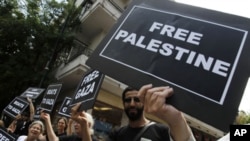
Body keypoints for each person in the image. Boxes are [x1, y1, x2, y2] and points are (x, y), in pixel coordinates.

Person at [109, 84, 195, 141]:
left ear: (143, 101)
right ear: (123, 104)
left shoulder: (161, 131)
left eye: (136, 99)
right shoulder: (117, 133)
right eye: (128, 100)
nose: (132, 104)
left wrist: (177, 120)